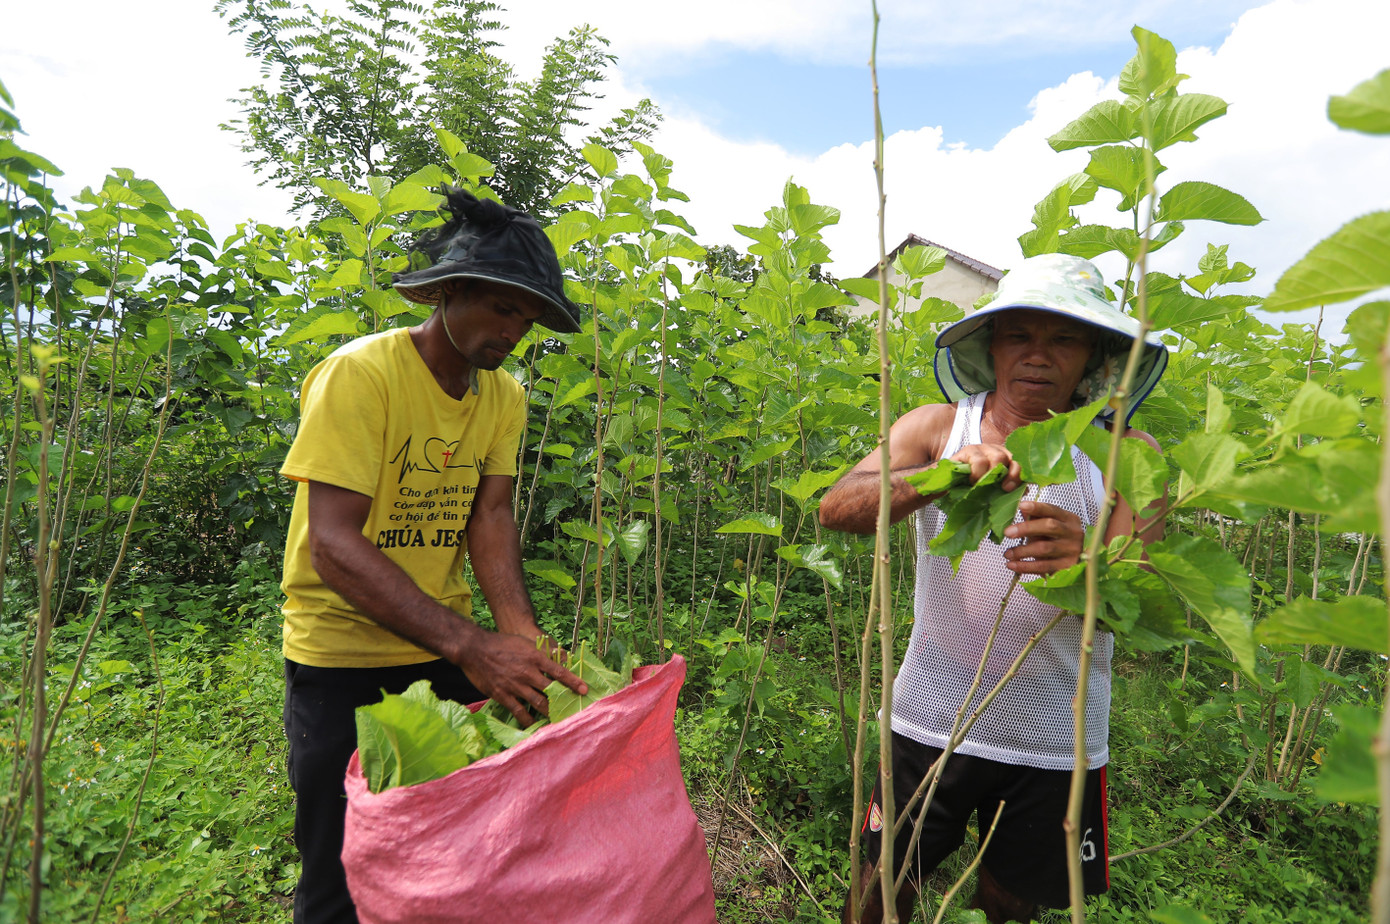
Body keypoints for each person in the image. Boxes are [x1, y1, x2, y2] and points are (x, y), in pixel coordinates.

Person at [819, 254, 1169, 924]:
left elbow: (1143, 606)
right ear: (992, 346)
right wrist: (938, 477)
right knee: (882, 883)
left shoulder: (1128, 453)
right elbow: (838, 507)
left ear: (1094, 355)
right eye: (1019, 336)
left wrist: (1089, 565)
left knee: (1011, 902)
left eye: (1063, 338)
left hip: (1055, 733)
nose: (1038, 355)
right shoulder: (937, 428)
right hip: (931, 715)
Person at [278, 187, 588, 924]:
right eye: (502, 308)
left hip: (439, 654)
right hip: (342, 660)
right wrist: (472, 646)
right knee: (341, 872)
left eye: (528, 319)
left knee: (442, 854)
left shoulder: (503, 397)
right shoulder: (362, 374)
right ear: (449, 291)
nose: (513, 332)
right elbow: (332, 543)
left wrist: (520, 636)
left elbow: (491, 514)